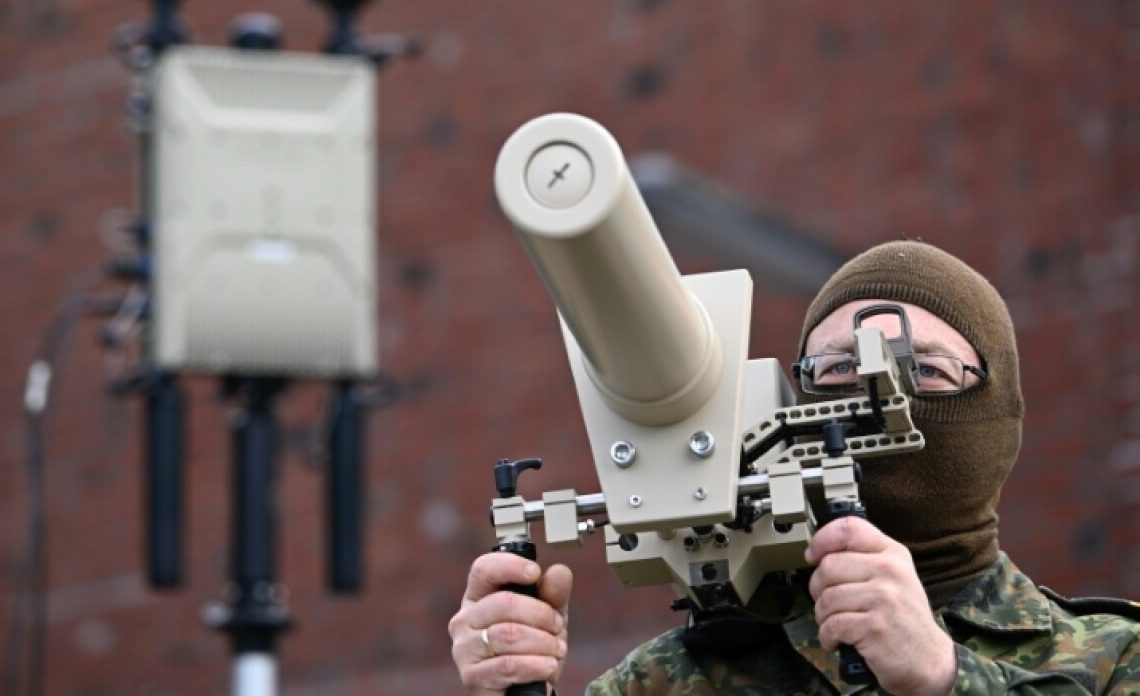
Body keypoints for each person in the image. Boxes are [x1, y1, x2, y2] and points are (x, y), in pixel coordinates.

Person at [449, 240, 1139, 696]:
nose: (873, 394)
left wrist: (942, 675)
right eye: (836, 371)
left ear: (997, 413)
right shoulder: (670, 680)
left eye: (925, 369)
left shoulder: (1113, 657)